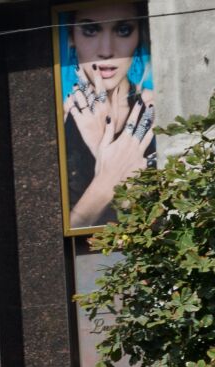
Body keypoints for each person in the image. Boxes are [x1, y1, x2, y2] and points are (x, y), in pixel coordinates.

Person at [61, 2, 154, 229]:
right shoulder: (60, 120)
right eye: (90, 31)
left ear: (139, 36)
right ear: (72, 36)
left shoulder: (154, 112)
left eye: (123, 30)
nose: (106, 50)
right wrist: (107, 180)